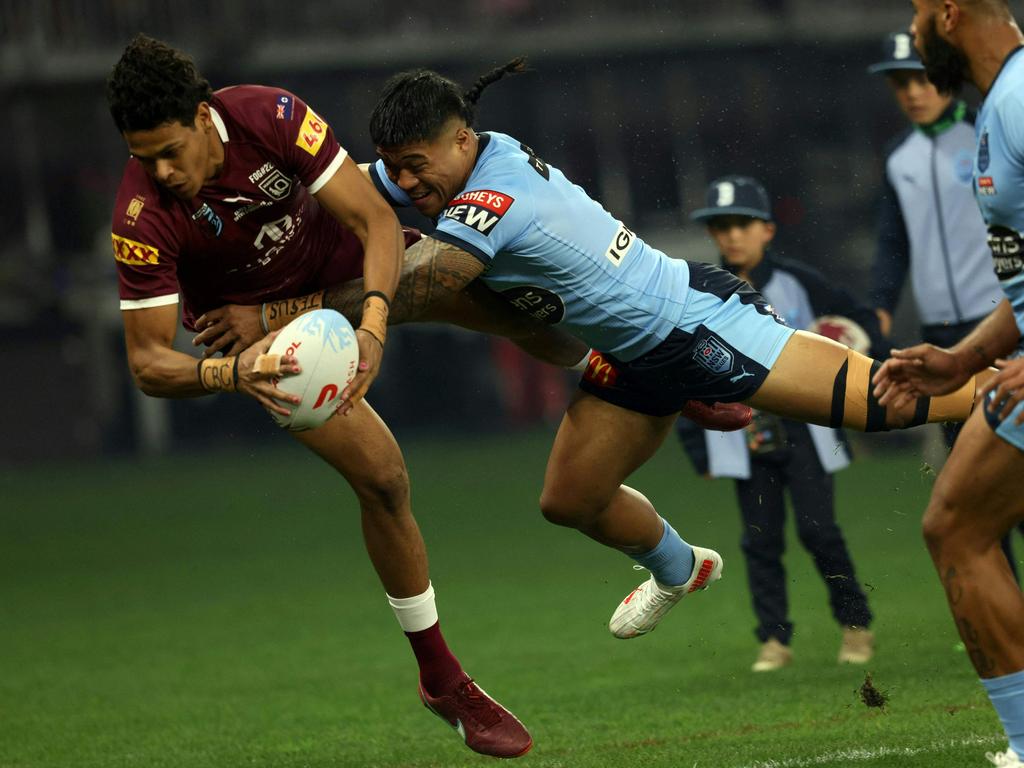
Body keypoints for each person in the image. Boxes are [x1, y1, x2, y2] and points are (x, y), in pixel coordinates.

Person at [198, 60, 989, 651]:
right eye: (395, 165)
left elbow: (423, 282)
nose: (407, 182)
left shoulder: (496, 196)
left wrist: (274, 310)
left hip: (699, 327)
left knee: (889, 405)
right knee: (570, 499)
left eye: (417, 165)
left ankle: (1006, 383)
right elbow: (356, 205)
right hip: (632, 355)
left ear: (463, 142)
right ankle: (684, 567)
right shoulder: (446, 170)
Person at [104, 34, 572, 759]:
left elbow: (375, 219)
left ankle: (628, 368)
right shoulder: (140, 218)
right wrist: (232, 373)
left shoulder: (273, 116)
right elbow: (148, 364)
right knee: (384, 480)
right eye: (143, 158)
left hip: (355, 273)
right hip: (270, 346)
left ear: (203, 118)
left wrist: (377, 319)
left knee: (506, 298)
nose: (161, 172)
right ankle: (442, 679)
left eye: (169, 150)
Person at [873, 2, 1024, 765]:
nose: (915, 22)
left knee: (957, 528)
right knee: (956, 526)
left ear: (949, 12)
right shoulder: (999, 106)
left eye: (918, 11)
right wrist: (964, 359)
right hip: (1011, 374)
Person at [677, 175, 878, 672]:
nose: (731, 236)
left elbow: (861, 322)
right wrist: (696, 447)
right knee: (760, 541)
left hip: (809, 431)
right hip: (741, 437)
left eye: (742, 224)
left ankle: (855, 625)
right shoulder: (696, 288)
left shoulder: (799, 282)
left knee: (819, 532)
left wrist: (865, 345)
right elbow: (677, 369)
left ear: (767, 229)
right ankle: (774, 639)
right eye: (720, 227)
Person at [867, 31, 1022, 581]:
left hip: (1001, 329)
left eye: (919, 76)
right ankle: (1011, 620)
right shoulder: (898, 158)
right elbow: (893, 243)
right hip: (943, 343)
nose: (911, 91)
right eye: (898, 82)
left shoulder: (986, 131)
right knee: (973, 494)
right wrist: (879, 309)